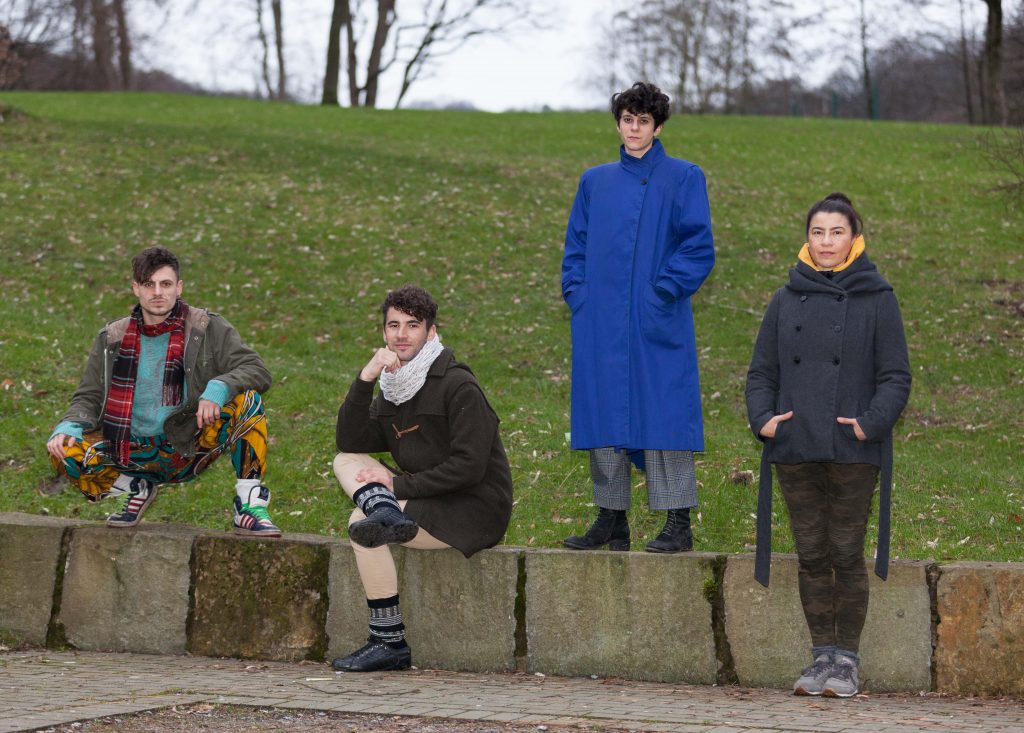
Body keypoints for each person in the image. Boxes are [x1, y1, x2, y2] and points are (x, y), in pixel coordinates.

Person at [745, 193, 911, 698]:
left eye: (836, 232)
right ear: (807, 239)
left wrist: (869, 424)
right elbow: (761, 373)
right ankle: (821, 658)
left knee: (844, 551)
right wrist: (764, 421)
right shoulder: (784, 299)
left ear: (854, 238)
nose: (826, 242)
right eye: (818, 233)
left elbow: (895, 376)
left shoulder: (878, 297)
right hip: (796, 445)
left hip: (851, 448)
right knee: (812, 553)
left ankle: (848, 662)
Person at [561, 81, 715, 553]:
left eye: (643, 121)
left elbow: (697, 245)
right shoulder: (595, 181)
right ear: (618, 123)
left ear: (658, 125)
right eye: (627, 119)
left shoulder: (684, 177)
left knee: (664, 413)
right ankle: (611, 518)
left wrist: (663, 291)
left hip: (656, 317)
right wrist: (578, 294)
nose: (634, 128)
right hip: (600, 318)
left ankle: (678, 521)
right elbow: (576, 246)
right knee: (603, 412)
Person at [331, 285, 513, 672]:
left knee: (360, 523)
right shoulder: (395, 386)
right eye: (393, 325)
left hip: (471, 509)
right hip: (426, 501)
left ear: (430, 332)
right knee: (345, 459)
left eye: (412, 325)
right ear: (383, 333)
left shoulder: (457, 384)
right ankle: (386, 514)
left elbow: (470, 467)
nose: (401, 334)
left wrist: (396, 487)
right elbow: (350, 439)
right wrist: (366, 377)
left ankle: (389, 642)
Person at [45, 247, 281, 536]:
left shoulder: (206, 328)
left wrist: (218, 387)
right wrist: (70, 424)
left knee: (247, 400)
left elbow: (257, 369)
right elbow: (88, 397)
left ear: (179, 287)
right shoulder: (111, 338)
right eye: (149, 284)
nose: (158, 292)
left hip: (188, 443)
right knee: (64, 447)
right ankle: (135, 486)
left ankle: (248, 504)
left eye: (166, 284)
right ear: (136, 289)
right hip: (129, 452)